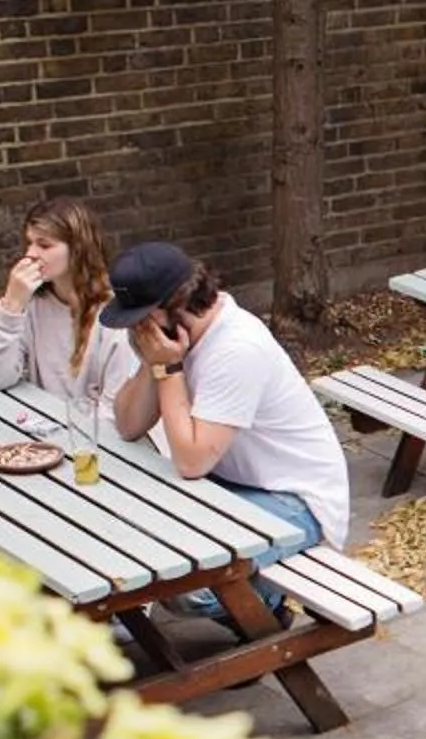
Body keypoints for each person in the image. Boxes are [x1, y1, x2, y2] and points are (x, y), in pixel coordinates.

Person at [101, 242, 347, 625]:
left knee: (184, 586)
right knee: (130, 536)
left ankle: (262, 608)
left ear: (174, 306)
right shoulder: (174, 339)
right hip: (230, 484)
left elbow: (191, 461)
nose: (135, 329)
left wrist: (168, 370)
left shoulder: (236, 347)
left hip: (295, 500)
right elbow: (128, 425)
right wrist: (154, 364)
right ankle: (245, 598)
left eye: (140, 319)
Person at [0, 195, 136, 406]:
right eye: (29, 243)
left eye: (44, 245)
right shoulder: (32, 301)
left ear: (78, 249)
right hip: (41, 426)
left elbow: (115, 414)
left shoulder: (116, 314)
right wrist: (11, 305)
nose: (30, 254)